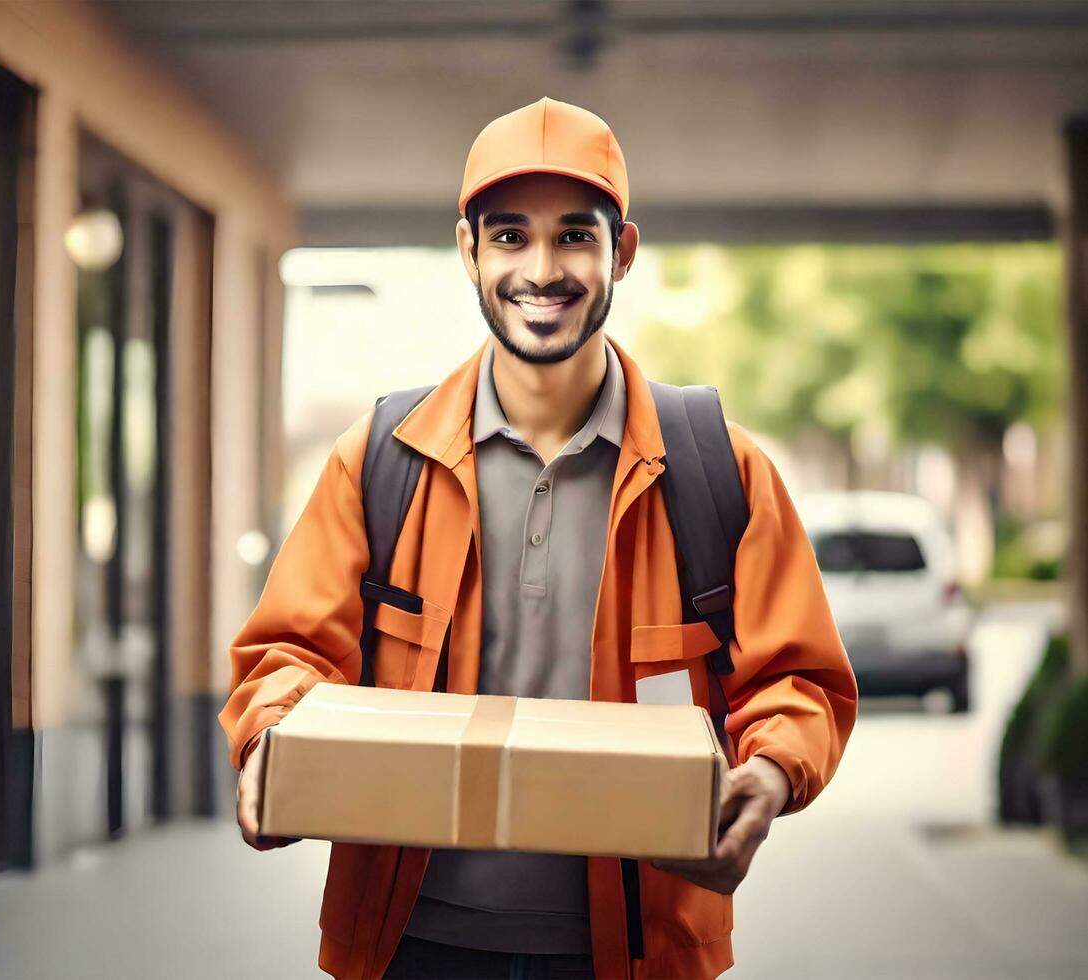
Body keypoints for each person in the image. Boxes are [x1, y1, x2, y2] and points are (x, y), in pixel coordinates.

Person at [220, 97, 858, 980]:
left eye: (575, 237)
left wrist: (773, 772)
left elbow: (797, 680)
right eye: (511, 237)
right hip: (412, 944)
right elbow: (289, 652)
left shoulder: (720, 471)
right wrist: (269, 744)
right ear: (468, 252)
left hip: (633, 951)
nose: (542, 269)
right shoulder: (380, 462)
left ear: (620, 252)